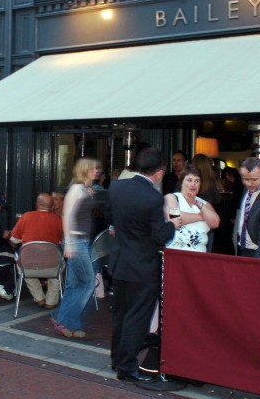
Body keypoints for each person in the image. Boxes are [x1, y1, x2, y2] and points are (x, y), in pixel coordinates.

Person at [108, 148, 177, 388]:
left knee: (120, 313)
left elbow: (112, 218)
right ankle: (127, 368)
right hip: (142, 265)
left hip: (119, 261)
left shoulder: (116, 188)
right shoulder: (153, 198)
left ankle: (117, 359)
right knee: (136, 317)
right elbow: (160, 236)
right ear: (158, 173)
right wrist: (172, 224)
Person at [51, 158, 101, 339]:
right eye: (93, 168)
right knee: (88, 283)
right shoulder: (76, 189)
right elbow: (67, 215)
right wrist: (70, 243)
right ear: (85, 170)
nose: (97, 171)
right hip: (77, 242)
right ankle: (66, 322)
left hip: (81, 241)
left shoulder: (82, 189)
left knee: (74, 284)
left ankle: (61, 319)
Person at [10, 193, 64, 309]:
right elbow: (62, 240)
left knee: (24, 265)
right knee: (55, 275)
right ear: (51, 206)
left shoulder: (26, 216)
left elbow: (14, 239)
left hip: (30, 265)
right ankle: (51, 301)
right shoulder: (58, 219)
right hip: (51, 264)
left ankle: (39, 298)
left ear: (37, 204)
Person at [163, 164, 220, 252]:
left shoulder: (204, 203)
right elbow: (175, 219)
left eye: (197, 181)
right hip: (176, 253)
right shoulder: (172, 198)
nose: (193, 184)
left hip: (200, 256)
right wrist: (201, 216)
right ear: (182, 182)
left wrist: (199, 204)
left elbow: (215, 223)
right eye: (189, 180)